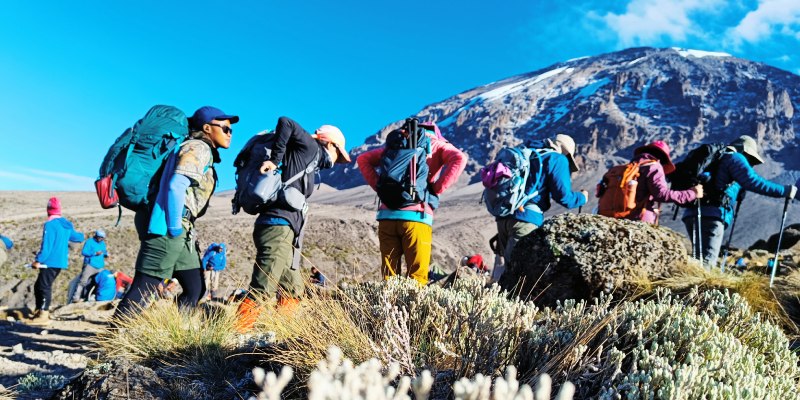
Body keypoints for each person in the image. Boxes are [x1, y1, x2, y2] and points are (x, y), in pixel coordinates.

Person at [115, 106, 237, 318]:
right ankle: (111, 342)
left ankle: (179, 331)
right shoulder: (198, 147)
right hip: (168, 225)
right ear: (207, 128)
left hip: (180, 229)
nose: (229, 134)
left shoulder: (200, 149)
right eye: (225, 128)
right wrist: (174, 228)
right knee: (146, 285)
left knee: (195, 286)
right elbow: (176, 186)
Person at [236, 117, 349, 332]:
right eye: (339, 154)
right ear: (330, 143)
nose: (337, 161)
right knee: (264, 285)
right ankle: (236, 336)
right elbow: (286, 122)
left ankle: (284, 333)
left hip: (286, 229)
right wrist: (275, 161)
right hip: (276, 227)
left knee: (292, 287)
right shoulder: (310, 146)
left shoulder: (308, 157)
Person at [356, 121, 467, 285]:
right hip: (416, 216)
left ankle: (388, 308)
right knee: (417, 276)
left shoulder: (396, 143)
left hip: (386, 217)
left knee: (389, 277)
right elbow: (459, 158)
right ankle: (411, 309)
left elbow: (363, 158)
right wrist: (436, 188)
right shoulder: (436, 145)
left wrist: (380, 187)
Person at [683, 135, 796, 268]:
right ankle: (700, 288)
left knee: (699, 259)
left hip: (692, 212)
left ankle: (690, 285)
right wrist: (784, 190)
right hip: (712, 215)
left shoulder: (717, 159)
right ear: (744, 150)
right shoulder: (735, 157)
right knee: (707, 263)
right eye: (751, 159)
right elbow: (753, 181)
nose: (750, 164)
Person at [496, 135, 587, 269]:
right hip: (526, 220)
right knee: (518, 272)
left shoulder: (526, 151)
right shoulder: (557, 158)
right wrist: (582, 197)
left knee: (508, 270)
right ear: (566, 151)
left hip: (503, 216)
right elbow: (564, 197)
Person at [28, 197, 84, 325]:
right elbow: (78, 237)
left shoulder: (50, 224)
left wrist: (38, 260)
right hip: (60, 262)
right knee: (39, 285)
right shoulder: (65, 225)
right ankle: (39, 310)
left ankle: (43, 315)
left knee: (44, 287)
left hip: (49, 261)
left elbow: (47, 246)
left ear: (48, 210)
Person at [622, 141, 703, 224]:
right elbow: (661, 194)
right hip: (640, 218)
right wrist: (692, 193)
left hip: (621, 215)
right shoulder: (654, 166)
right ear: (663, 158)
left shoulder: (629, 168)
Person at [71, 229, 109, 303]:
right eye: (99, 237)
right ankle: (76, 298)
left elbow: (104, 251)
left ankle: (93, 297)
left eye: (102, 238)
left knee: (98, 282)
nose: (100, 239)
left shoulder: (102, 243)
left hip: (100, 266)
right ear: (96, 236)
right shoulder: (89, 242)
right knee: (83, 281)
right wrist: (94, 253)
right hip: (90, 265)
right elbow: (84, 252)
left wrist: (106, 254)